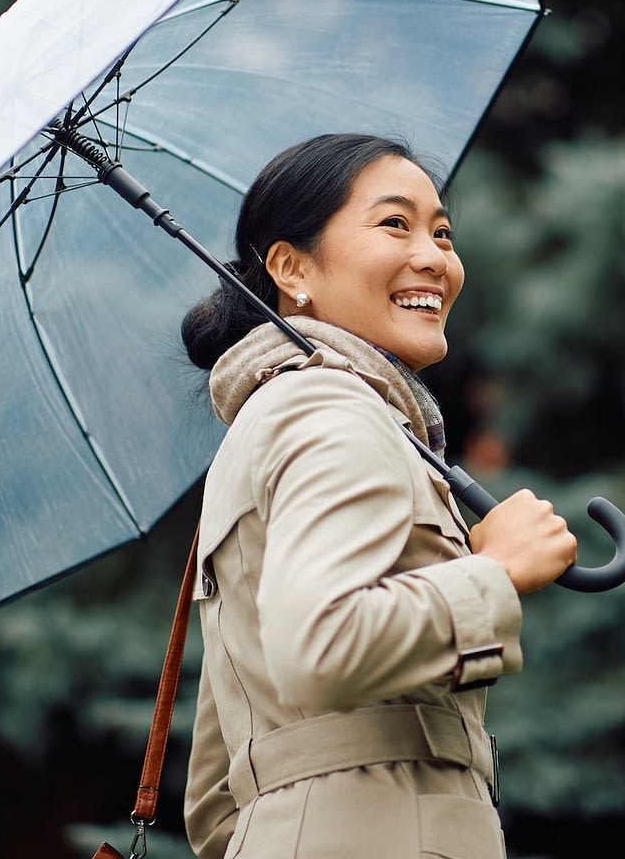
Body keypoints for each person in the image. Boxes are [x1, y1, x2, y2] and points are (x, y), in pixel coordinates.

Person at [179, 132, 578, 859]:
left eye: (443, 231)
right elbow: (322, 647)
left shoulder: (271, 420)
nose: (434, 257)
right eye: (394, 224)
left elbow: (214, 790)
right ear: (290, 267)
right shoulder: (331, 407)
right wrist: (497, 573)